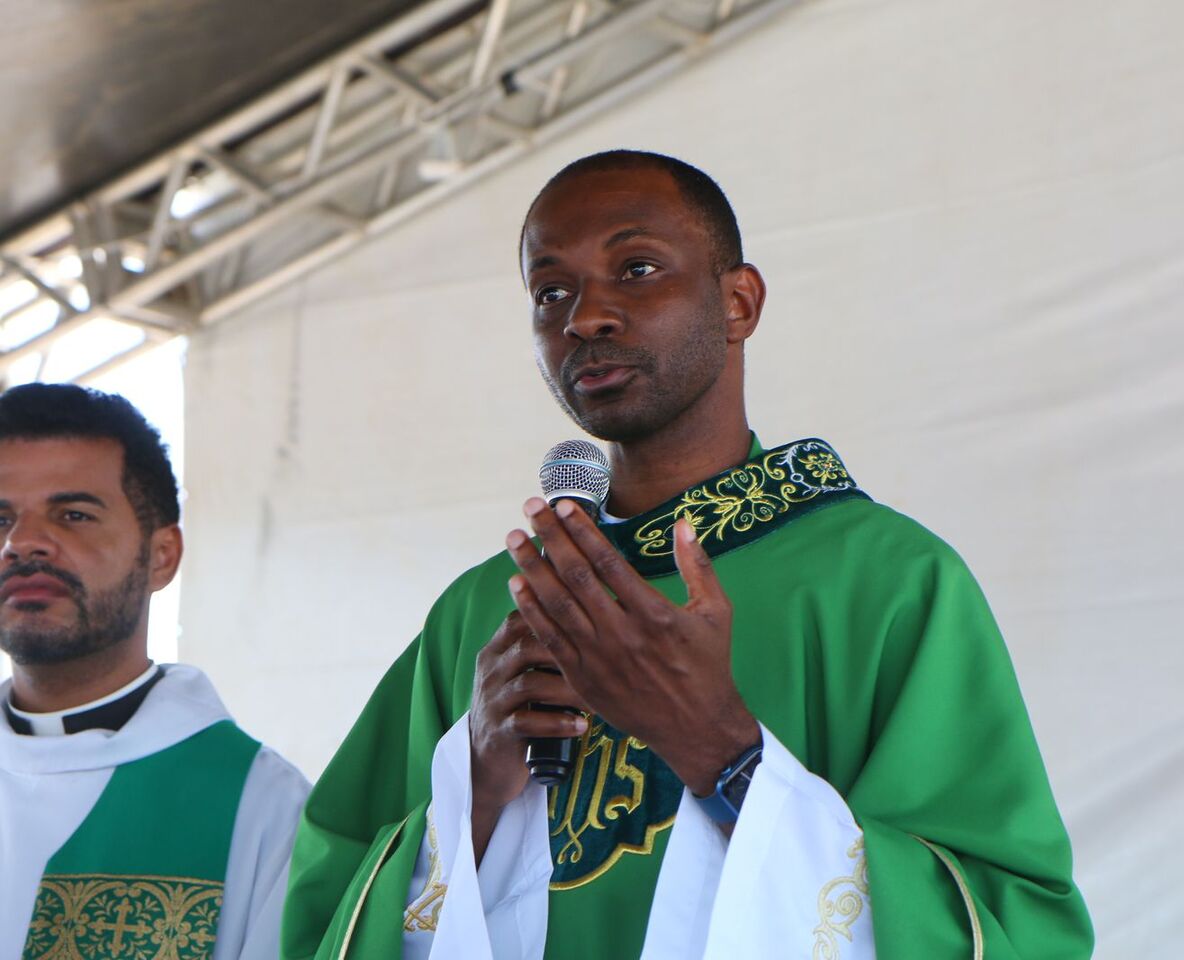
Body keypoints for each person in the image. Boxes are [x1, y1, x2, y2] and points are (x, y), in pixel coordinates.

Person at [283, 150, 1093, 959]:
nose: (585, 318)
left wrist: (727, 755)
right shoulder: (482, 610)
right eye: (551, 292)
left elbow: (1014, 925)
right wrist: (477, 787)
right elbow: (325, 905)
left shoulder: (887, 582)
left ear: (739, 302)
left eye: (636, 269)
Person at [0, 383, 309, 960]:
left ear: (161, 555)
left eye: (72, 514)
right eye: (2, 517)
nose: (23, 543)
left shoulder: (263, 804)